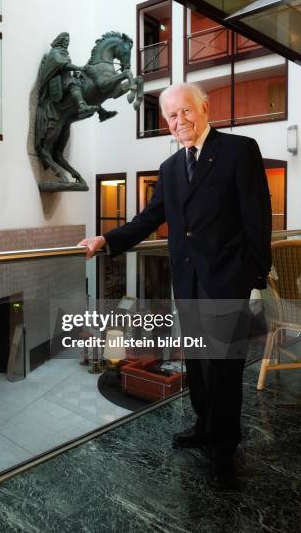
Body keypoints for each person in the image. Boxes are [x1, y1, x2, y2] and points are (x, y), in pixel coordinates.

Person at [78, 82, 272, 489]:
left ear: (204, 108)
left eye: (185, 111)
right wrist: (107, 240)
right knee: (199, 366)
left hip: (227, 281)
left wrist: (253, 278)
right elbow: (149, 220)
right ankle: (203, 427)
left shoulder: (239, 150)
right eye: (170, 115)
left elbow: (258, 219)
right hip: (188, 283)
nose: (178, 121)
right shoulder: (169, 169)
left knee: (224, 368)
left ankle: (224, 446)